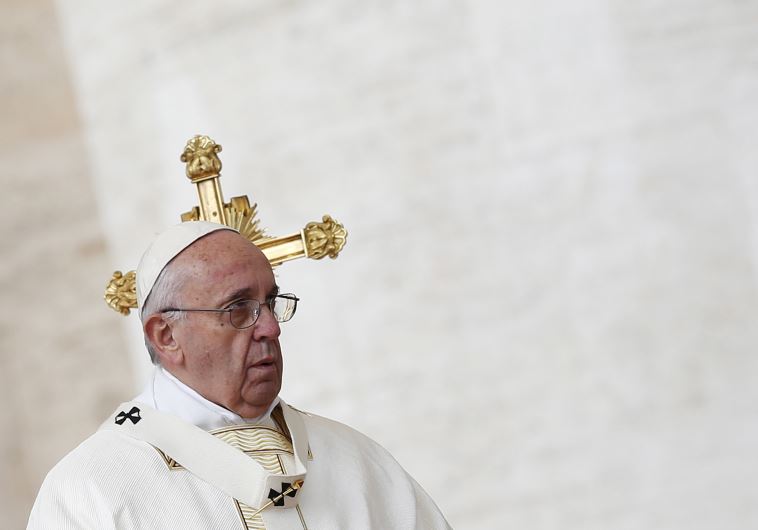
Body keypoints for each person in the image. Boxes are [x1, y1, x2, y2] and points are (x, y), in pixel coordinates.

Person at [28, 221, 451, 529]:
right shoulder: (91, 488)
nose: (271, 327)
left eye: (271, 303)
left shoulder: (358, 462)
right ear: (166, 336)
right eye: (238, 309)